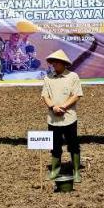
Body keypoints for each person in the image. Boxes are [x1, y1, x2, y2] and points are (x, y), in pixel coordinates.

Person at [40, 50, 83, 182]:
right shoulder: (48, 77)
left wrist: (63, 107)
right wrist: (53, 107)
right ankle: (55, 170)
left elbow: (76, 95)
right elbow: (44, 96)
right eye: (53, 62)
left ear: (64, 63)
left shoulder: (73, 76)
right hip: (53, 119)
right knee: (55, 145)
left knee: (73, 145)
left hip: (69, 118)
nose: (54, 64)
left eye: (57, 62)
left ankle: (76, 172)